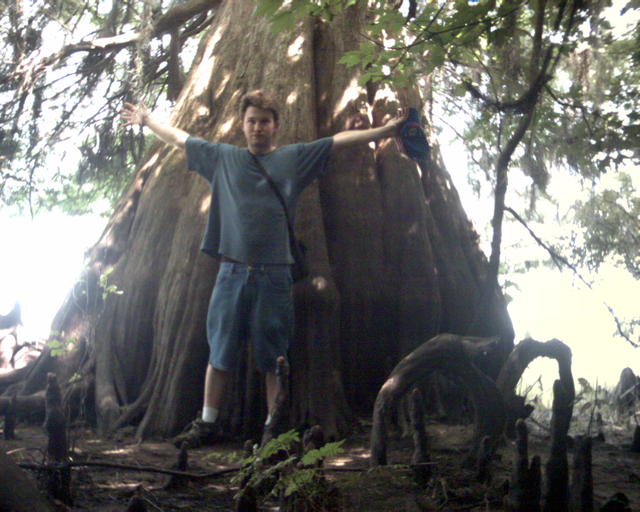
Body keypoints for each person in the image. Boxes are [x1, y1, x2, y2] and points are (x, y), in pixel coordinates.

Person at [121, 91, 407, 447]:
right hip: (231, 273)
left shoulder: (293, 159)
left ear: (276, 126)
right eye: (251, 121)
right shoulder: (223, 158)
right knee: (220, 352)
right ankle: (207, 423)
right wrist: (148, 121)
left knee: (274, 358)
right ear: (243, 126)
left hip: (274, 276)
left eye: (264, 122)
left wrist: (386, 131)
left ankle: (274, 430)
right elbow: (182, 140)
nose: (257, 128)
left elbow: (337, 141)